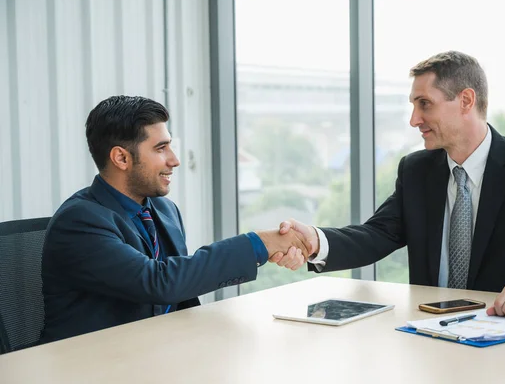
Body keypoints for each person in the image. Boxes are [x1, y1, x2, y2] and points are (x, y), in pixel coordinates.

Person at [276, 51, 505, 318]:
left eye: (424, 104)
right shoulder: (416, 169)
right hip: (428, 334)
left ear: (465, 100)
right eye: (413, 106)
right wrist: (316, 241)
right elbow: (377, 235)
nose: (414, 119)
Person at [41, 96, 307, 343]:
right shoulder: (79, 222)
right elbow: (158, 282)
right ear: (121, 157)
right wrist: (257, 244)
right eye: (161, 148)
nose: (175, 160)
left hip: (158, 351)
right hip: (91, 364)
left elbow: (181, 293)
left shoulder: (164, 210)